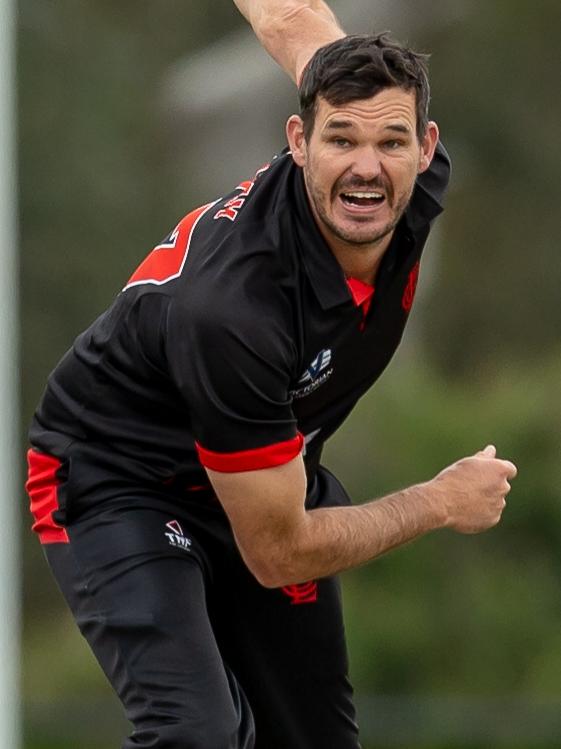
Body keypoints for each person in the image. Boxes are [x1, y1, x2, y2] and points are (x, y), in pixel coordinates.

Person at [26, 2, 518, 747]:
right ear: (299, 141)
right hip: (117, 480)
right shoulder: (233, 312)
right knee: (198, 734)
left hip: (264, 473)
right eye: (340, 139)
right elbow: (278, 550)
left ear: (425, 147)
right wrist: (439, 500)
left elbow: (292, 19)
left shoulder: (400, 167)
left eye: (390, 141)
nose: (365, 166)